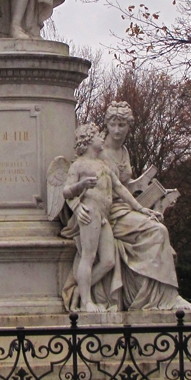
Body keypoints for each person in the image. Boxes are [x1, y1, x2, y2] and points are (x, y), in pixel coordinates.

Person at [99, 102, 191, 313]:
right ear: (106, 125)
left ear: (129, 127)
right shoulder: (99, 151)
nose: (117, 130)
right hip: (109, 214)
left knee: (157, 226)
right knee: (157, 232)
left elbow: (125, 186)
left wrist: (144, 205)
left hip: (125, 210)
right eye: (113, 125)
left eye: (122, 125)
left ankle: (159, 297)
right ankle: (164, 298)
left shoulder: (123, 151)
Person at [58, 123, 126, 312]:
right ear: (88, 141)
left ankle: (79, 290)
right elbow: (66, 191)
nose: (102, 137)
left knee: (108, 261)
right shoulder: (79, 165)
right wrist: (82, 185)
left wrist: (141, 209)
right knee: (88, 256)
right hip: (90, 213)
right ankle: (87, 301)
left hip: (103, 215)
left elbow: (119, 187)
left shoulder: (103, 164)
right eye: (97, 135)